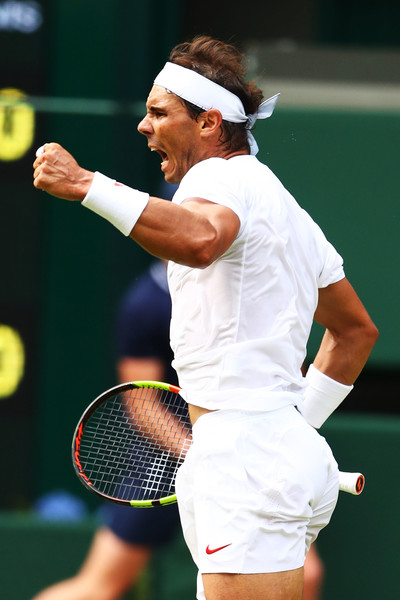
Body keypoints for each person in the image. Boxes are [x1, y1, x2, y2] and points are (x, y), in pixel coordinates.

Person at [33, 35, 378, 600]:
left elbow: (199, 240)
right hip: (272, 451)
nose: (144, 126)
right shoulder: (283, 204)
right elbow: (356, 333)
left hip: (245, 457)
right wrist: (299, 424)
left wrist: (85, 185)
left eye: (158, 112)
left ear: (210, 123)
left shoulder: (217, 179)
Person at [31, 260, 190, 600]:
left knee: (304, 576)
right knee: (97, 588)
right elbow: (143, 405)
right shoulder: (146, 304)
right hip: (163, 465)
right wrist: (198, 453)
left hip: (239, 448)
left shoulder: (236, 286)